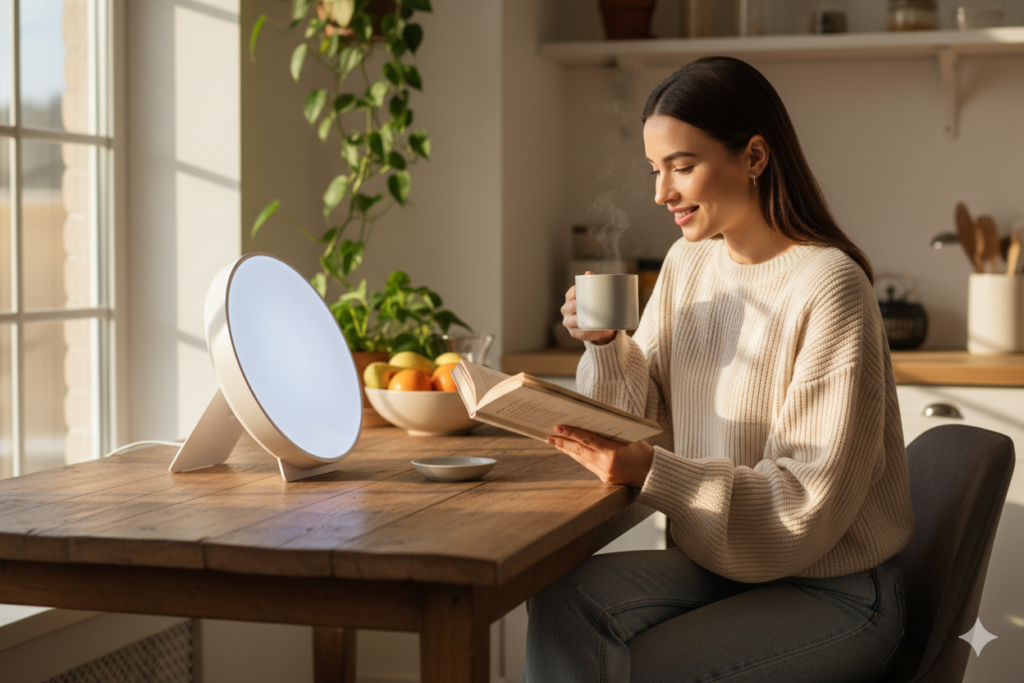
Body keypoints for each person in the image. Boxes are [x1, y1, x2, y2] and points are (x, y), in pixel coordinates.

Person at [523, 56, 915, 683]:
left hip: (832, 588)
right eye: (655, 170)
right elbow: (638, 422)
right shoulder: (689, 262)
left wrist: (652, 472)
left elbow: (803, 506)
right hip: (716, 568)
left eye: (682, 166)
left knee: (637, 671)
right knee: (561, 599)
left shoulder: (829, 286)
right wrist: (605, 342)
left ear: (754, 157)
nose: (661, 193)